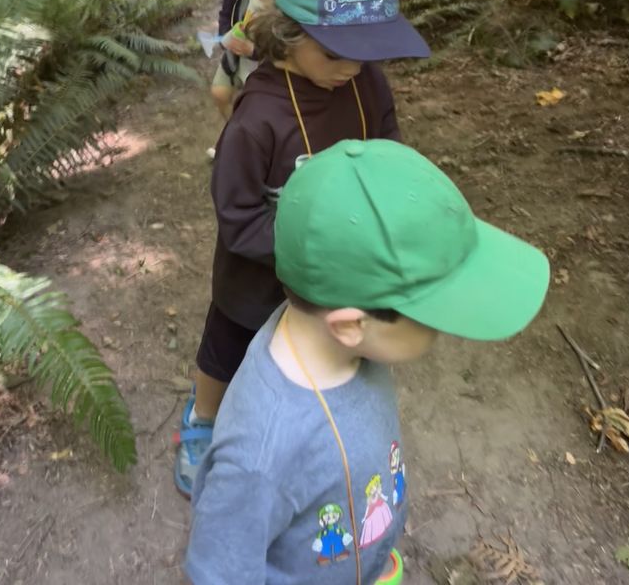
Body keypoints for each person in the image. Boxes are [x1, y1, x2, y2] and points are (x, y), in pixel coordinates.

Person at [186, 138, 551, 584]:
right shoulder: (261, 455)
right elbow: (218, 572)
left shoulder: (343, 341)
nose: (443, 333)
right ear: (350, 325)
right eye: (433, 319)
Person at [174, 0, 432, 497]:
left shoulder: (367, 85)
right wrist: (314, 257)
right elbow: (238, 216)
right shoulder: (258, 118)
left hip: (337, 274)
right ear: (290, 34)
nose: (354, 68)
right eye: (339, 52)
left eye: (370, 53)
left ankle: (298, 433)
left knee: (313, 359)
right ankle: (203, 422)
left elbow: (389, 150)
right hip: (257, 274)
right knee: (229, 346)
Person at [210, 0, 299, 123]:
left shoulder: (285, 5)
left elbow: (285, 45)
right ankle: (233, 131)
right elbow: (226, 13)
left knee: (254, 111)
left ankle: (246, 139)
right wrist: (227, 34)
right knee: (219, 93)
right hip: (236, 59)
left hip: (267, 66)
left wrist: (254, 50)